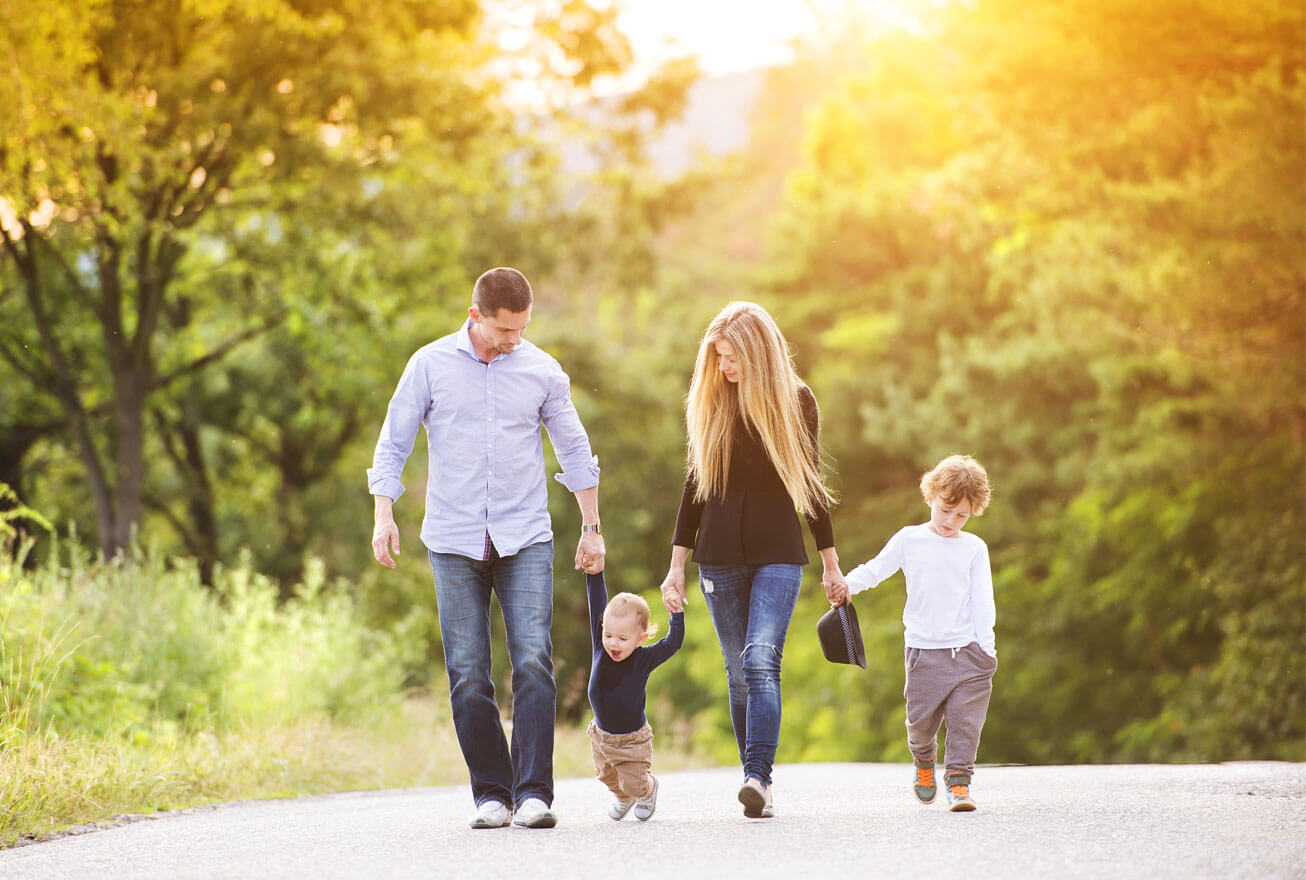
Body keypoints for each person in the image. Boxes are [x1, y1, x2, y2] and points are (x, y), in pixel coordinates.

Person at [367, 267, 605, 830]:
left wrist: (591, 526)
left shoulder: (542, 370)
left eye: (522, 328)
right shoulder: (429, 365)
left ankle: (534, 794)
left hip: (525, 534)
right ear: (475, 316)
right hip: (453, 540)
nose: (514, 339)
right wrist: (383, 515)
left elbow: (575, 447)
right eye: (504, 329)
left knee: (532, 662)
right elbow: (393, 441)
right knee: (469, 670)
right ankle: (491, 794)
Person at [659, 301, 848, 819]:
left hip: (778, 554)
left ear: (758, 352)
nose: (724, 367)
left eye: (732, 357)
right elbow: (693, 491)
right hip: (717, 558)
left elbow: (811, 488)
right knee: (739, 674)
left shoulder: (797, 402)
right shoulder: (712, 403)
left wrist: (831, 564)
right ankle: (754, 778)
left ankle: (757, 777)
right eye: (718, 357)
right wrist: (676, 566)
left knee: (760, 658)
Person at [826, 454, 996, 812]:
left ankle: (960, 784)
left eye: (961, 515)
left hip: (969, 653)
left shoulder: (973, 549)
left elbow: (983, 602)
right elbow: (875, 570)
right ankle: (923, 763)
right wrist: (847, 585)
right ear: (931, 496)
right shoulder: (910, 540)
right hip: (924, 653)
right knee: (920, 726)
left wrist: (987, 649)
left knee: (966, 725)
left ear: (973, 511)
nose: (951, 521)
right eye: (945, 510)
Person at [585, 571, 684, 821]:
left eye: (622, 638)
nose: (613, 644)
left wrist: (677, 615)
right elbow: (596, 599)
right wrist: (594, 573)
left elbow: (673, 643)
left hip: (632, 741)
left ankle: (647, 789)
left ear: (640, 639)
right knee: (605, 776)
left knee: (634, 784)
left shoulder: (644, 659)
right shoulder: (601, 647)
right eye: (608, 635)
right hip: (600, 735)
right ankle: (624, 798)